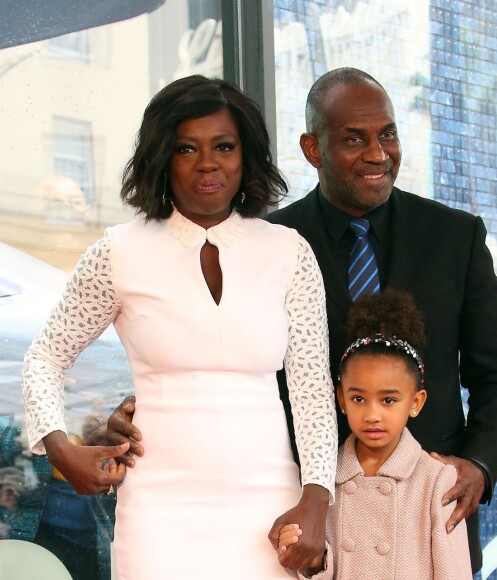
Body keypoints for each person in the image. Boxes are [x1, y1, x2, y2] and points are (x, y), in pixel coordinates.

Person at [108, 67, 497, 572]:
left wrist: (479, 465)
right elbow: (217, 353)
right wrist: (147, 412)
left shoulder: (456, 237)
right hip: (306, 519)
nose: (377, 153)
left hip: (429, 515)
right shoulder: (270, 243)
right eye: (354, 138)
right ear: (313, 149)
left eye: (387, 134)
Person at [21, 74, 338, 579]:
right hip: (157, 512)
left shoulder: (289, 253)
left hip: (269, 508)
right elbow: (45, 357)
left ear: (246, 156)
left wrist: (318, 498)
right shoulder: (117, 253)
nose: (207, 162)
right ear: (162, 158)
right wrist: (61, 447)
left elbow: (311, 391)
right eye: (186, 147)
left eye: (224, 146)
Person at [278, 289, 472, 579]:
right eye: (358, 399)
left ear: (416, 402)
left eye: (388, 400)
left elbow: (453, 571)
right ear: (341, 400)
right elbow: (320, 562)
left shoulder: (435, 480)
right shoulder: (323, 479)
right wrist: (309, 560)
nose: (372, 414)